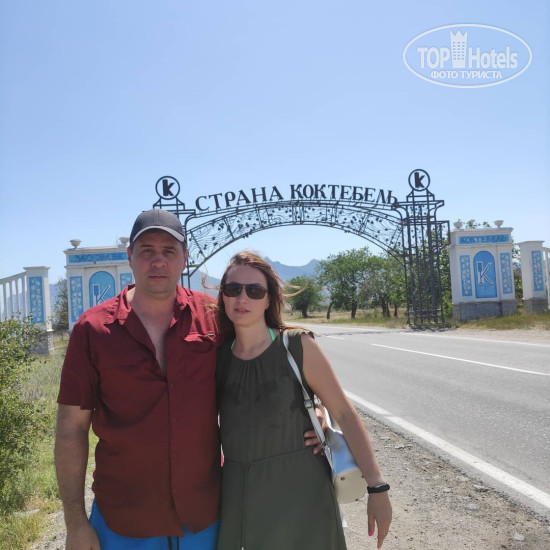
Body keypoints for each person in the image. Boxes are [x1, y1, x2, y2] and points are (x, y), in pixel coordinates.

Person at [55, 209, 321, 550]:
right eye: (147, 250)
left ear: (184, 258)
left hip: (204, 517)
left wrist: (314, 411)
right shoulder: (92, 330)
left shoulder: (215, 318)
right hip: (123, 520)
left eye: (169, 251)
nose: (158, 261)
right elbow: (71, 429)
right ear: (130, 256)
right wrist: (75, 523)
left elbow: (264, 366)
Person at [214, 251, 393, 549]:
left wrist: (378, 487)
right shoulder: (216, 355)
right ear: (223, 295)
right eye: (233, 289)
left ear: (269, 299)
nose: (242, 298)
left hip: (302, 493)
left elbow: (345, 414)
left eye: (254, 291)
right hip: (239, 495)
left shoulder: (296, 345)